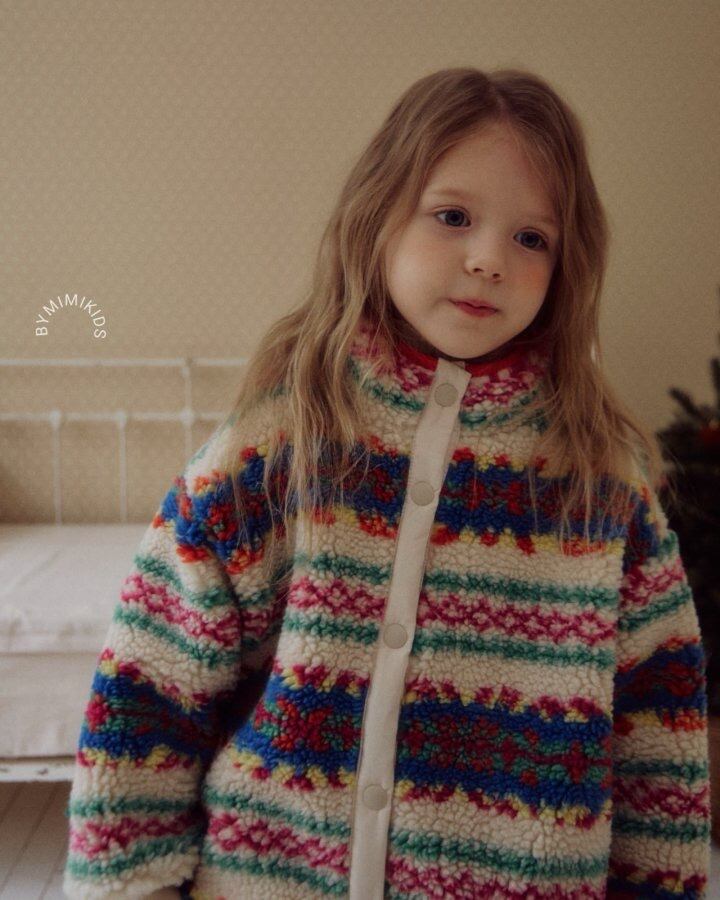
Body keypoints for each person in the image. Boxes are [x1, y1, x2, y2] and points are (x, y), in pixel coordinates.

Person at [63, 67, 710, 900]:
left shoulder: (599, 482)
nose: (488, 259)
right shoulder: (283, 441)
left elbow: (661, 730)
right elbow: (150, 678)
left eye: (531, 238)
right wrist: (129, 883)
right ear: (378, 217)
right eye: (453, 217)